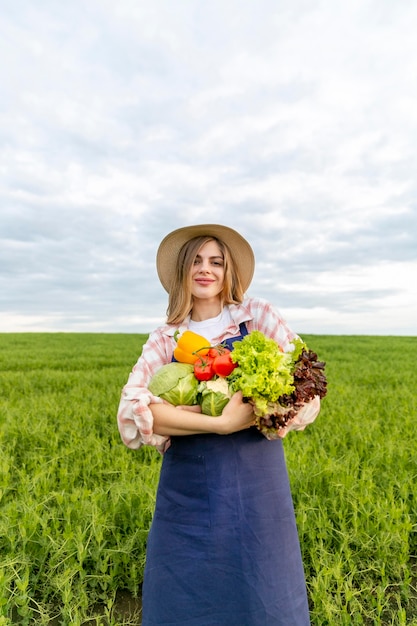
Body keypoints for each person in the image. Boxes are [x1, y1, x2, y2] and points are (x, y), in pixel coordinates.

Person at [117, 224, 320, 626]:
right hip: (189, 490)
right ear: (182, 271)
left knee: (266, 586)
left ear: (229, 273)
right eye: (196, 261)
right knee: (185, 590)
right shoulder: (166, 338)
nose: (205, 269)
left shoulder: (255, 316)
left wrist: (288, 407)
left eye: (216, 262)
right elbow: (133, 409)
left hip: (258, 483)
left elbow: (304, 380)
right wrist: (221, 423)